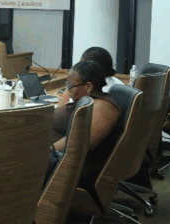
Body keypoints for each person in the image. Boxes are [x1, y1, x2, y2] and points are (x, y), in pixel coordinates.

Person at [50, 60, 122, 190]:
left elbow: (77, 145)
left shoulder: (103, 108)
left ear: (88, 86)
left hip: (66, 170)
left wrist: (44, 152)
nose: (69, 90)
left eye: (71, 86)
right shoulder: (87, 101)